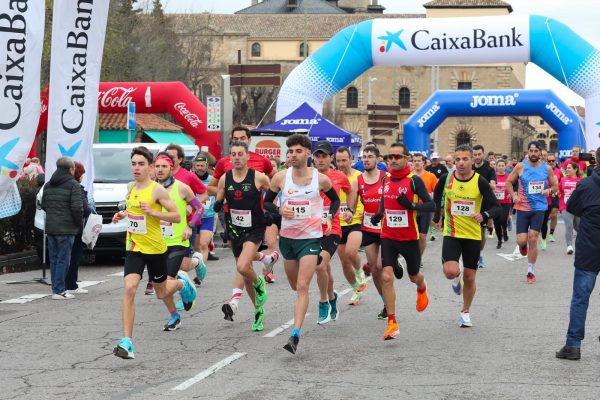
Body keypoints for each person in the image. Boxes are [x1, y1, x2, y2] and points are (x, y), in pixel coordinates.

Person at [111, 146, 196, 359]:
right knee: (130, 288)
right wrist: (122, 215)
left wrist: (154, 213)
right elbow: (134, 211)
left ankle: (183, 283)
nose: (136, 168)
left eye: (141, 164)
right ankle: (127, 341)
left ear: (150, 168)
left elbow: (176, 216)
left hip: (156, 249)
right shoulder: (131, 188)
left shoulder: (157, 190)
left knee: (162, 292)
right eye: (133, 164)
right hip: (135, 247)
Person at [263, 134, 339, 354]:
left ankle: (295, 334)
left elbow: (335, 200)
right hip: (288, 240)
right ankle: (276, 257)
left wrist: (328, 216)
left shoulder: (320, 179)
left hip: (311, 239)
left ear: (308, 153)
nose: (292, 155)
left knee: (303, 286)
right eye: (290, 152)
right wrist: (279, 210)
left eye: (297, 151)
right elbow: (267, 202)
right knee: (295, 286)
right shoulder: (280, 178)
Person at [208, 127, 278, 318]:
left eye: (240, 154)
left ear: (247, 156)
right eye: (233, 155)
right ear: (230, 158)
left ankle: (260, 283)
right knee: (245, 271)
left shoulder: (258, 177)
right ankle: (258, 310)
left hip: (255, 227)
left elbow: (273, 192)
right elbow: (218, 194)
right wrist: (218, 203)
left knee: (241, 266)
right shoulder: (224, 178)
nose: (237, 157)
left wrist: (272, 211)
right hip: (234, 227)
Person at [370, 143, 434, 340]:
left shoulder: (414, 181)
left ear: (406, 158)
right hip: (388, 235)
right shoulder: (386, 179)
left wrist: (412, 205)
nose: (394, 160)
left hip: (409, 238)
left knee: (414, 276)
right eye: (391, 156)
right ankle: (392, 322)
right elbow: (384, 200)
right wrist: (380, 214)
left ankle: (422, 287)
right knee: (386, 277)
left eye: (398, 156)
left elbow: (431, 205)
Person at [433, 144, 500, 327]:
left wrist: (484, 215)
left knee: (470, 277)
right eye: (458, 159)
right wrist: (437, 213)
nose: (461, 163)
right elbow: (438, 192)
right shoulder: (447, 178)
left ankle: (465, 311)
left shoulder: (479, 181)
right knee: (450, 271)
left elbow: (496, 207)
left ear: (472, 160)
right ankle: (456, 280)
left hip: (472, 235)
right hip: (452, 233)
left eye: (465, 159)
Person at [555, 147, 600, 361]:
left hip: (589, 247)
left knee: (581, 298)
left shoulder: (586, 183)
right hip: (589, 246)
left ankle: (573, 345)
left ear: (596, 162)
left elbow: (572, 207)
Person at [153, 152, 205, 331]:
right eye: (157, 166)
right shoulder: (150, 188)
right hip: (156, 242)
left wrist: (189, 226)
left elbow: (200, 208)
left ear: (171, 168)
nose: (160, 170)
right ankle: (175, 315)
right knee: (160, 287)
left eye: (164, 166)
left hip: (177, 241)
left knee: (167, 281)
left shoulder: (182, 188)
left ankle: (183, 283)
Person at [506, 141, 559, 283]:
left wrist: (548, 190)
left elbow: (555, 185)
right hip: (523, 207)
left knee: (533, 237)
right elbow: (509, 182)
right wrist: (514, 195)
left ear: (540, 152)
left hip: (539, 208)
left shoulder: (546, 168)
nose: (533, 154)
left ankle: (530, 271)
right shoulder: (521, 166)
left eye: (536, 151)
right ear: (528, 152)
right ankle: (522, 246)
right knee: (522, 240)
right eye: (531, 151)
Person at [311, 140, 351, 324]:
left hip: (332, 229)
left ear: (331, 157)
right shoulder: (308, 177)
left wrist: (349, 209)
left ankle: (323, 302)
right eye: (317, 156)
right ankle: (332, 296)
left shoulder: (339, 177)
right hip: (311, 229)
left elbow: (350, 191)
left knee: (319, 266)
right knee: (324, 268)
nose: (320, 160)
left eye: (324, 156)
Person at [41, 157, 83, 300]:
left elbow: (44, 204)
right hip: (67, 228)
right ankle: (59, 290)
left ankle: (56, 289)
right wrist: (79, 224)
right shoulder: (73, 185)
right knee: (63, 259)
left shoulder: (48, 185)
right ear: (71, 169)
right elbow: (77, 208)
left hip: (51, 228)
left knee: (54, 259)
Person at [357, 145, 387, 318]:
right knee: (374, 270)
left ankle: (393, 261)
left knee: (381, 265)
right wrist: (349, 212)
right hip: (368, 227)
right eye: (364, 157)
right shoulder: (359, 180)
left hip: (386, 226)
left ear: (377, 159)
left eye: (370, 156)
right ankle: (385, 302)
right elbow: (353, 204)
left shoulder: (386, 177)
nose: (366, 159)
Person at [335, 146, 366, 306]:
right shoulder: (331, 177)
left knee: (351, 251)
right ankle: (356, 289)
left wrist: (364, 211)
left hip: (355, 221)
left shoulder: (359, 177)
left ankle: (360, 272)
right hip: (338, 223)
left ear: (351, 159)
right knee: (344, 262)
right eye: (338, 160)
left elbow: (369, 196)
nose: (341, 163)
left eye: (344, 160)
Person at [66, 162, 94, 295]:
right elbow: (84, 209)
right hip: (75, 227)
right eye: (82, 174)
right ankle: (71, 284)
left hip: (57, 226)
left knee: (60, 257)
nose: (83, 177)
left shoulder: (54, 184)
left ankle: (60, 283)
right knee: (74, 255)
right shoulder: (76, 187)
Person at [472, 145, 497, 268]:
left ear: (483, 154)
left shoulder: (489, 168)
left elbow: (493, 186)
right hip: (470, 203)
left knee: (481, 232)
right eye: (475, 155)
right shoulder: (469, 166)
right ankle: (471, 254)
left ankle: (480, 254)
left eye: (479, 154)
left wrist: (479, 183)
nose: (477, 157)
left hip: (484, 204)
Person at [411, 153, 437, 256]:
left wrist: (435, 212)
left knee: (422, 236)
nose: (417, 163)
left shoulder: (431, 176)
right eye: (415, 161)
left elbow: (436, 193)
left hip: (425, 210)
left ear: (424, 162)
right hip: (411, 209)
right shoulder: (409, 175)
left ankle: (418, 258)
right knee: (412, 236)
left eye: (419, 161)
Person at [559, 162, 582, 255]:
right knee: (569, 225)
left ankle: (581, 245)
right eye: (567, 168)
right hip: (565, 206)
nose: (567, 169)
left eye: (569, 168)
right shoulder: (563, 180)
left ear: (575, 169)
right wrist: (556, 192)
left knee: (579, 228)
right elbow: (559, 191)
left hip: (578, 207)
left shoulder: (581, 180)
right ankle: (569, 246)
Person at [492, 159, 512, 249]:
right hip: (495, 203)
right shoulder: (494, 177)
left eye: (502, 165)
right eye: (499, 165)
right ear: (496, 166)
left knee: (503, 220)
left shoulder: (509, 176)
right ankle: (499, 240)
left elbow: (514, 185)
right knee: (496, 222)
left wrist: (511, 193)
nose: (500, 167)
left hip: (505, 202)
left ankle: (504, 230)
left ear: (505, 166)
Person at [546, 153, 562, 243]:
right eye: (549, 161)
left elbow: (561, 182)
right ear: (546, 162)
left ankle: (551, 234)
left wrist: (559, 192)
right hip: (545, 195)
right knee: (545, 215)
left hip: (555, 195)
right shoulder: (543, 171)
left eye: (553, 160)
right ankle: (542, 225)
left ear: (555, 161)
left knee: (554, 214)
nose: (551, 162)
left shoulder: (559, 171)